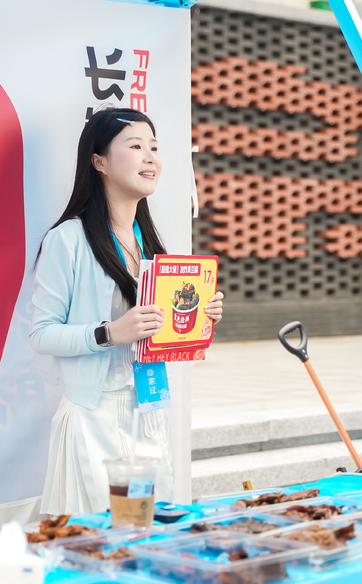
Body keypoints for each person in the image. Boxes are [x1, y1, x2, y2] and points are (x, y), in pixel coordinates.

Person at [30, 107, 224, 515]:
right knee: (100, 537)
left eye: (154, 147)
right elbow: (42, 333)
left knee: (149, 529)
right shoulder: (67, 239)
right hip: (92, 417)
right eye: (135, 146)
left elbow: (161, 333)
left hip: (148, 410)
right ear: (99, 162)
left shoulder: (150, 243)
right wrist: (109, 332)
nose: (150, 157)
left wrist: (198, 318)